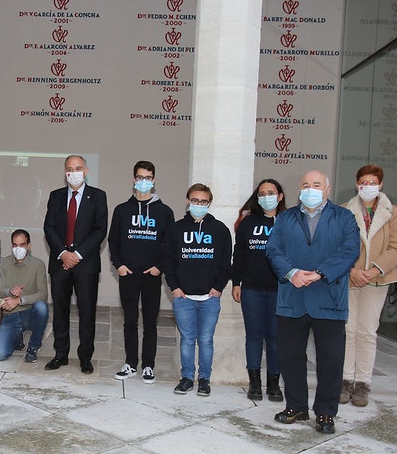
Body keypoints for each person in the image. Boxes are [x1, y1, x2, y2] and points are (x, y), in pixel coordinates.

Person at [265, 170, 359, 434]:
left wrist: (320, 273)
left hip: (329, 298)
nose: (310, 189)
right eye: (305, 185)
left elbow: (350, 250)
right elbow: (273, 250)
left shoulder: (344, 217)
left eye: (316, 185)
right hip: (292, 297)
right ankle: (296, 406)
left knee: (331, 359)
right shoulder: (285, 218)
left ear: (327, 189)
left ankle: (326, 412)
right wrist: (291, 273)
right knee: (290, 356)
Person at [341, 165, 397, 407]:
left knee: (367, 332)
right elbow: (338, 244)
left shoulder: (391, 212)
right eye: (363, 182)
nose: (367, 186)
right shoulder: (345, 210)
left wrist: (374, 270)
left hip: (377, 279)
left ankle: (362, 384)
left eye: (372, 182)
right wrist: (352, 270)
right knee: (348, 331)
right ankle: (345, 380)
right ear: (357, 184)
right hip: (350, 278)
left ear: (380, 184)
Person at [108, 161, 174, 383]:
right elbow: (113, 241)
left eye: (148, 177)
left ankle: (148, 366)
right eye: (139, 177)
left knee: (150, 323)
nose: (143, 181)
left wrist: (159, 267)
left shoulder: (164, 212)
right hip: (128, 275)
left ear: (154, 180)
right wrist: (119, 265)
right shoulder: (122, 210)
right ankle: (130, 363)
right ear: (133, 179)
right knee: (129, 321)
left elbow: (169, 244)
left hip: (151, 276)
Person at [163, 183, 231, 396]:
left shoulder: (220, 230)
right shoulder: (176, 229)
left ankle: (204, 379)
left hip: (210, 298)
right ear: (187, 201)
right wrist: (174, 288)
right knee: (187, 340)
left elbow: (226, 263)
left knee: (206, 340)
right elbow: (168, 261)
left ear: (209, 203)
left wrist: (218, 288)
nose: (199, 204)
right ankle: (186, 378)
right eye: (195, 200)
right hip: (183, 297)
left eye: (203, 201)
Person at [43, 155, 108, 374]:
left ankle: (85, 358)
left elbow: (100, 230)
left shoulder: (98, 196)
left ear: (86, 171)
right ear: (65, 172)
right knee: (60, 310)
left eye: (78, 168)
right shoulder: (55, 196)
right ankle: (60, 354)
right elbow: (49, 228)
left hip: (86, 264)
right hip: (60, 263)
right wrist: (63, 254)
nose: (74, 172)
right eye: (70, 169)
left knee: (87, 312)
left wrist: (76, 255)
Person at [231, 179, 286, 402]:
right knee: (253, 336)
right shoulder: (248, 222)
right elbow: (239, 254)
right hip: (252, 288)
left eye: (271, 193)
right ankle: (254, 383)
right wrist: (236, 282)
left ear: (280, 196)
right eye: (262, 193)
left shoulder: (288, 221)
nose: (266, 197)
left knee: (275, 338)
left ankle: (274, 383)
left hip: (280, 289)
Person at [0, 229, 49, 362]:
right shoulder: (5, 263)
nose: (18, 248)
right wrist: (10, 290)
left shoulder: (38, 264)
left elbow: (43, 294)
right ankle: (17, 337)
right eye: (15, 245)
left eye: (22, 244)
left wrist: (19, 300)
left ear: (29, 245)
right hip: (11, 315)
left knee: (42, 307)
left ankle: (33, 347)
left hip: (30, 313)